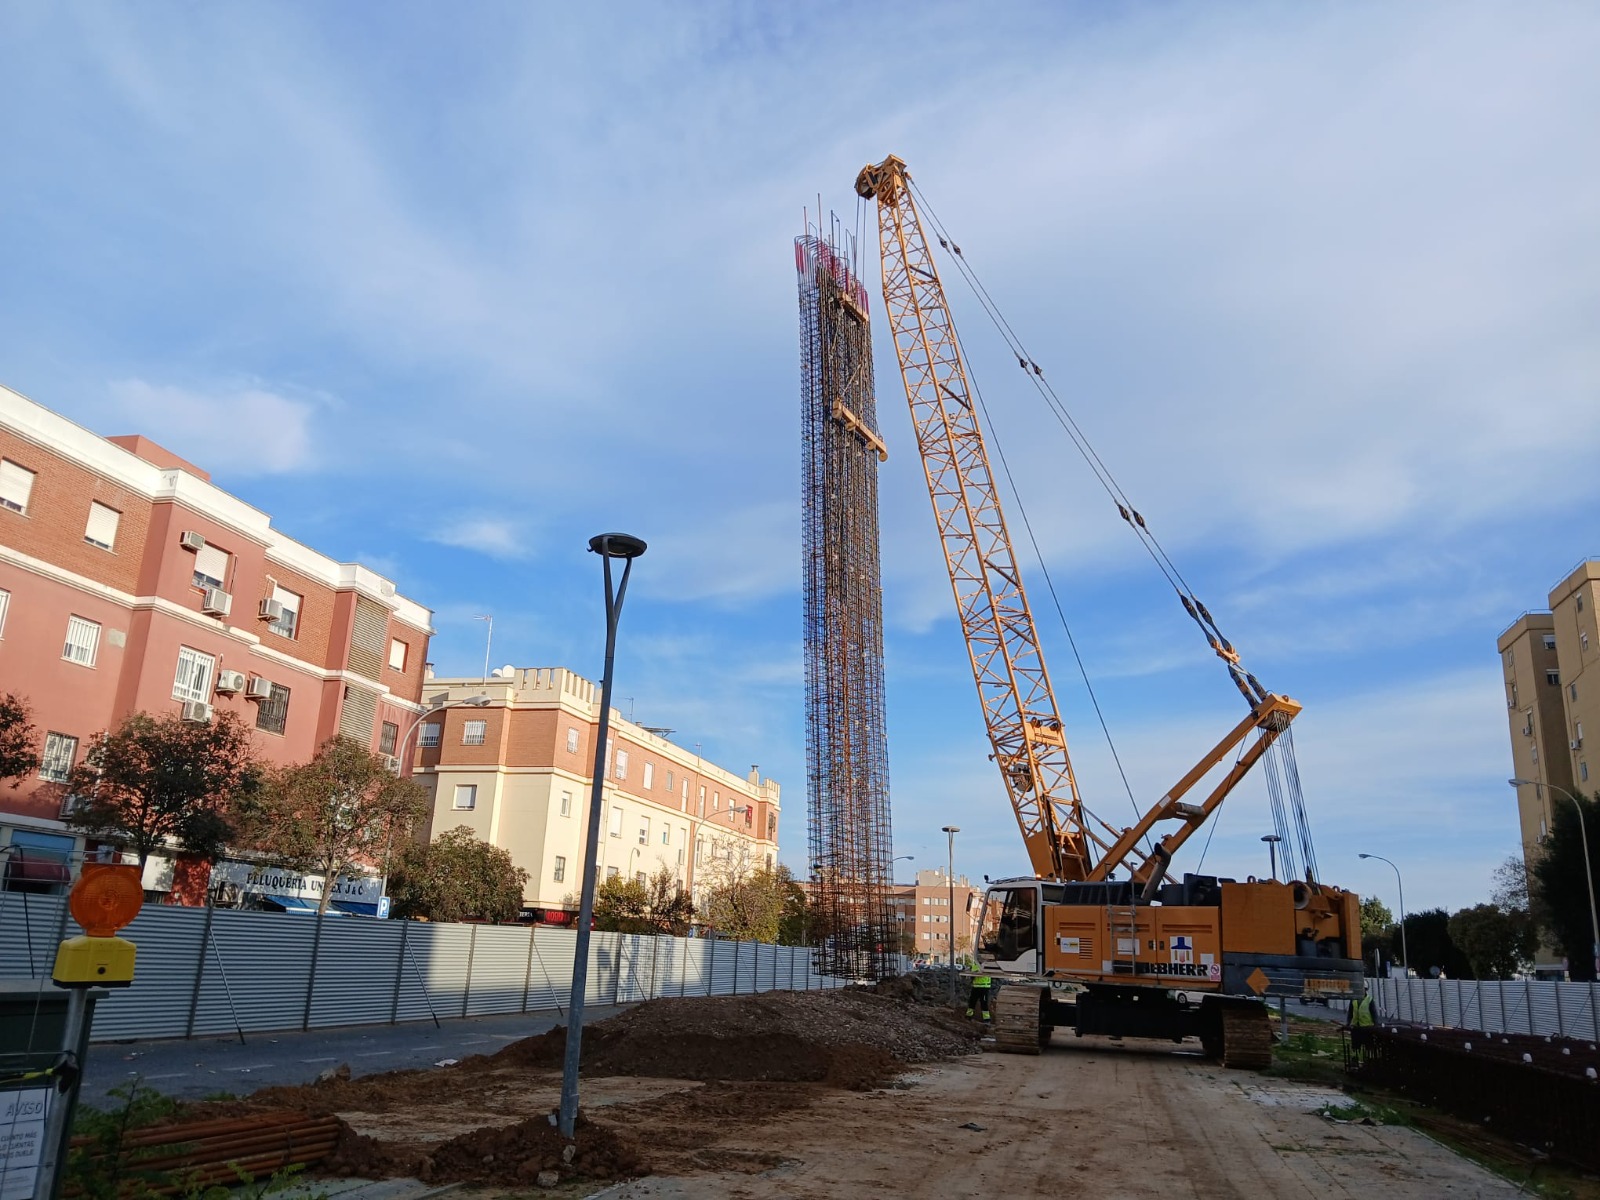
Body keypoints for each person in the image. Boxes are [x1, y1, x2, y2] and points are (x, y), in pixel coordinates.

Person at [1347, 991, 1375, 1061]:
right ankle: (1354, 1059)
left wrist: (1376, 1025)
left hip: (1367, 1027)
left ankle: (1369, 1059)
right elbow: (1350, 1012)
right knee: (1355, 1045)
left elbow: (1374, 1013)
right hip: (1356, 1026)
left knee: (1368, 1045)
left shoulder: (1369, 999)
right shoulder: (1353, 999)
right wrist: (1348, 1023)